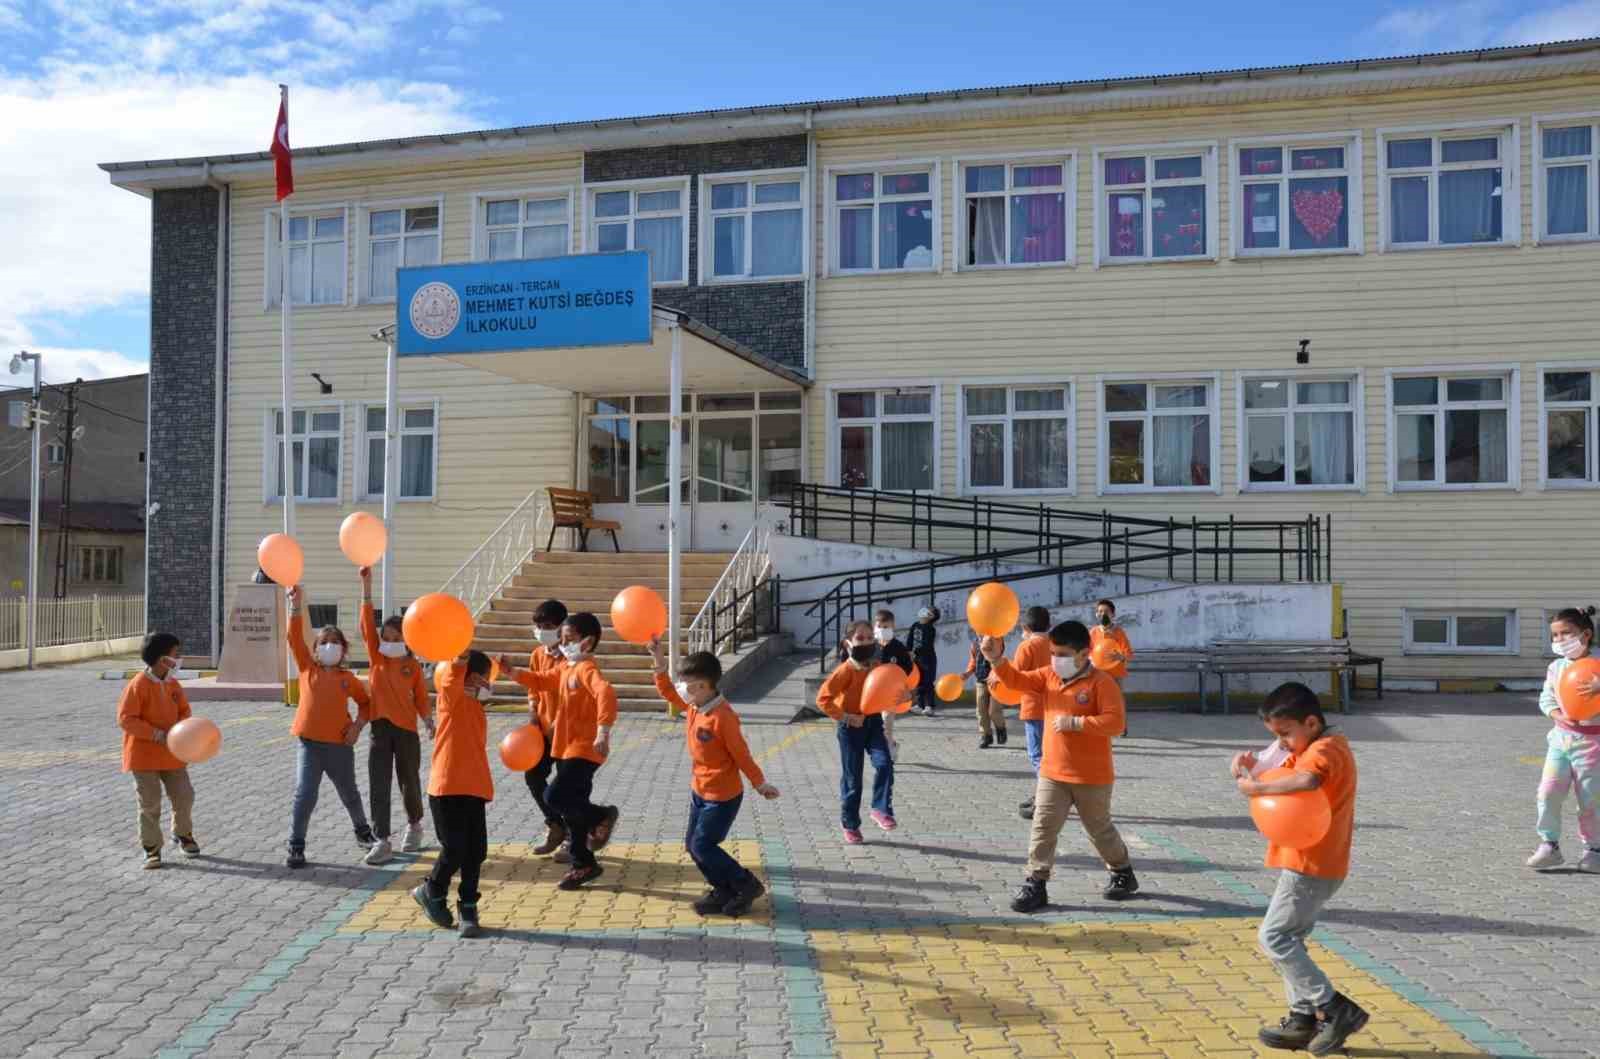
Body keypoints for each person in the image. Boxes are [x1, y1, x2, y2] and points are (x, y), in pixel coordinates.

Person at [1231, 682, 1366, 1055]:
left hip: (1312, 863)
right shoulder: (1312, 744)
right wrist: (1247, 769)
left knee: (1273, 938)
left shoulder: (1327, 749)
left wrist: (1255, 791)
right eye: (1276, 736)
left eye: (1285, 734)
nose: (1283, 743)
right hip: (1311, 860)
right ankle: (1302, 1017)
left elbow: (1306, 780)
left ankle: (1336, 1008)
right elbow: (1277, 768)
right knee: (1291, 938)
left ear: (1310, 722)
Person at [982, 620, 1138, 911]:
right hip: (1053, 773)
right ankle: (1035, 883)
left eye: (1063, 654)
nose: (1057, 659)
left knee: (1099, 830)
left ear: (1084, 653)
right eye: (1054, 653)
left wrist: (1078, 723)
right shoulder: (1048, 675)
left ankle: (1122, 871)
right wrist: (995, 659)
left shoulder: (1101, 683)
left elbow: (1115, 722)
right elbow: (1016, 681)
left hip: (1092, 775)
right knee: (1043, 828)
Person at [648, 638, 779, 916]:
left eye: (686, 683)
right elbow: (669, 694)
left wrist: (760, 783)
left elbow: (741, 754)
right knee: (693, 846)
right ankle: (723, 889)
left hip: (722, 796)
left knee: (703, 845)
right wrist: (659, 663)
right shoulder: (695, 706)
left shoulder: (723, 717)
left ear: (704, 686)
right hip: (700, 791)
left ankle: (746, 885)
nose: (681, 687)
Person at [500, 612, 618, 890]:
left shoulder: (588, 670)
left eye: (569, 639)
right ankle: (583, 863)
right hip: (564, 749)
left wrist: (603, 730)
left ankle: (601, 816)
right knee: (572, 810)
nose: (563, 644)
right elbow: (540, 680)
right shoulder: (566, 668)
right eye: (563, 639)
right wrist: (511, 672)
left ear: (587, 642)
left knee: (555, 796)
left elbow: (606, 693)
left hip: (585, 749)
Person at [285, 584, 377, 868]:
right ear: (315, 649)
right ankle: (296, 844)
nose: (329, 646)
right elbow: (292, 637)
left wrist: (357, 727)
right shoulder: (306, 669)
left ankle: (363, 833)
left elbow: (367, 704)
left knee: (349, 792)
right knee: (305, 793)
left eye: (335, 642)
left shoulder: (347, 678)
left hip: (339, 746)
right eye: (324, 642)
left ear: (343, 650)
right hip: (309, 744)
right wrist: (296, 605)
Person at [411, 651, 496, 938]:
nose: (488, 682)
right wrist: (459, 656)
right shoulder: (451, 699)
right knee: (455, 848)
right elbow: (450, 679)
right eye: (486, 676)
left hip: (474, 788)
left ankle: (468, 907)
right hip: (447, 789)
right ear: (472, 676)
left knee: (476, 852)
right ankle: (432, 889)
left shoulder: (477, 708)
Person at [358, 567, 432, 865]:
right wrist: (366, 586)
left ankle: (415, 825)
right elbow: (366, 624)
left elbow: (422, 698)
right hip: (379, 729)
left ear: (406, 639)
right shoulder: (377, 658)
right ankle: (382, 839)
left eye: (395, 636)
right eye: (385, 636)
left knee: (409, 781)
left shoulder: (411, 667)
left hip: (406, 732)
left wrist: (428, 719)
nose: (388, 641)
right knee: (379, 784)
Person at [1527, 605, 1600, 873]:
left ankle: (1594, 850)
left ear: (1586, 634)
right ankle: (1549, 845)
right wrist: (1558, 713)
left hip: (1594, 745)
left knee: (1591, 800)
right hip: (1561, 740)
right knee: (1547, 792)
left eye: (1566, 634)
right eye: (1555, 636)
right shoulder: (1556, 667)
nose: (1559, 641)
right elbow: (1547, 698)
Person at [117, 632, 199, 869]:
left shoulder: (173, 684)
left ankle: (183, 835)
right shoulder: (138, 685)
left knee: (184, 796)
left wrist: (181, 729)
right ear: (162, 658)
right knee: (150, 804)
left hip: (173, 753)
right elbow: (126, 719)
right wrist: (156, 734)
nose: (179, 658)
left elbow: (184, 710)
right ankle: (151, 848)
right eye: (175, 654)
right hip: (143, 757)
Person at [817, 620, 896, 843]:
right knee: (853, 780)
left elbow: (891, 689)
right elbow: (823, 699)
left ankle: (880, 809)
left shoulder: (877, 666)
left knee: (884, 763)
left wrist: (902, 697)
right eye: (860, 638)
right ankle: (850, 824)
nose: (866, 642)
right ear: (848, 643)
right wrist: (846, 717)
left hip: (873, 723)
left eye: (870, 638)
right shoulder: (845, 670)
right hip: (850, 728)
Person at [509, 599, 569, 859]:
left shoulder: (571, 656)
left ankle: (575, 838)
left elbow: (572, 694)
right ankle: (555, 825)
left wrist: (559, 722)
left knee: (566, 788)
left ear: (560, 627)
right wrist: (534, 713)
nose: (542, 630)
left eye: (547, 625)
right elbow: (533, 687)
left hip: (567, 732)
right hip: (542, 730)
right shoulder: (537, 654)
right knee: (533, 777)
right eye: (538, 626)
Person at [1008, 606, 1053, 819]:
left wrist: (997, 675)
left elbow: (1014, 676)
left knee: (1037, 756)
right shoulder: (1054, 644)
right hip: (1054, 706)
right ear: (1049, 625)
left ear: (1025, 627)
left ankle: (1045, 800)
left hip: (1034, 706)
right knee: (1048, 755)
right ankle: (1041, 795)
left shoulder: (1027, 646)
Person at [964, 631, 1007, 748]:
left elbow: (998, 655)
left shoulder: (997, 638)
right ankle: (985, 736)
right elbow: (973, 661)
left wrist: (988, 640)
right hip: (981, 680)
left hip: (995, 680)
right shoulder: (974, 643)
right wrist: (966, 674)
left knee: (994, 711)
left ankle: (1001, 728)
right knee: (981, 710)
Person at [905, 605, 940, 716]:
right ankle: (920, 705)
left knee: (927, 681)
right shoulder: (915, 625)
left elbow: (927, 645)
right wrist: (908, 651)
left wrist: (915, 652)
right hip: (916, 659)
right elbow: (909, 639)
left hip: (927, 659)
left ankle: (929, 706)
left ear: (931, 616)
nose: (924, 611)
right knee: (918, 681)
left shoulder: (931, 629)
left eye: (928, 611)